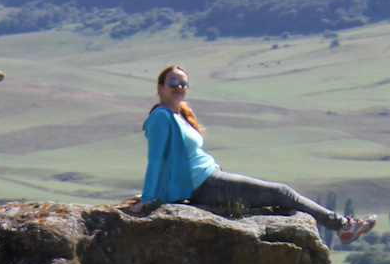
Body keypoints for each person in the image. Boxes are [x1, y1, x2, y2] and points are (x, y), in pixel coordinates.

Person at [129, 66, 376, 245]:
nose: (179, 88)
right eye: (173, 83)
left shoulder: (179, 114)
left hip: (211, 178)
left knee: (277, 198)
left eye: (183, 84)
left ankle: (342, 225)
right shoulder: (161, 117)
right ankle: (343, 226)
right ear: (160, 87)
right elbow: (156, 160)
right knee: (281, 193)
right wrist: (150, 197)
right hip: (205, 184)